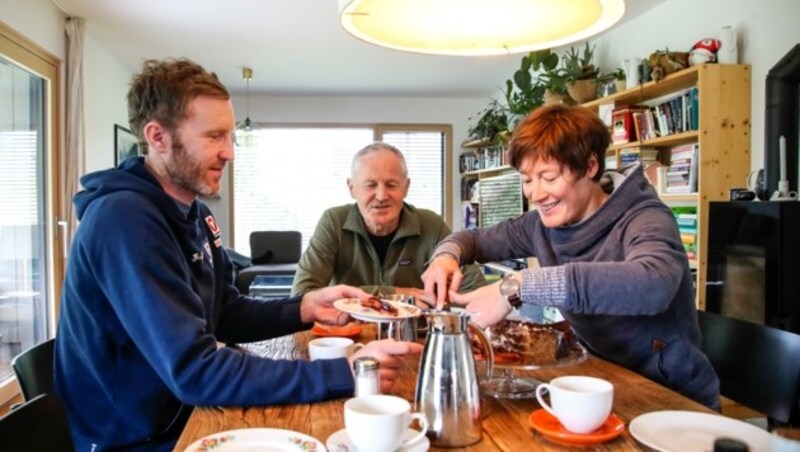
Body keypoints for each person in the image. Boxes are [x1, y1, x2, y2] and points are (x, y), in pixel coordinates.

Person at [53, 58, 422, 451]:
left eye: (230, 136)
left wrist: (306, 306)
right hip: (137, 439)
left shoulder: (193, 212)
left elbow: (225, 313)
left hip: (181, 413)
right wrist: (340, 373)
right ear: (158, 137)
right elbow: (196, 371)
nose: (230, 153)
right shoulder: (124, 221)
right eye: (214, 136)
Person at [421, 104, 720, 410]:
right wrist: (446, 256)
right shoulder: (540, 224)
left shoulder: (645, 217)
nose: (535, 194)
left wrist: (517, 285)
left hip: (669, 397)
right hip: (596, 381)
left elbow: (653, 284)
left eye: (548, 177)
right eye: (527, 179)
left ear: (590, 166)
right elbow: (473, 240)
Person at [291, 142, 486, 298]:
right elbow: (302, 295)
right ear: (352, 188)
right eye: (370, 185)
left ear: (406, 187)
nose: (382, 195)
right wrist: (394, 294)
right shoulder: (333, 222)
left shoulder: (432, 225)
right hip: (347, 338)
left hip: (412, 339)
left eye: (391, 185)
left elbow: (475, 289)